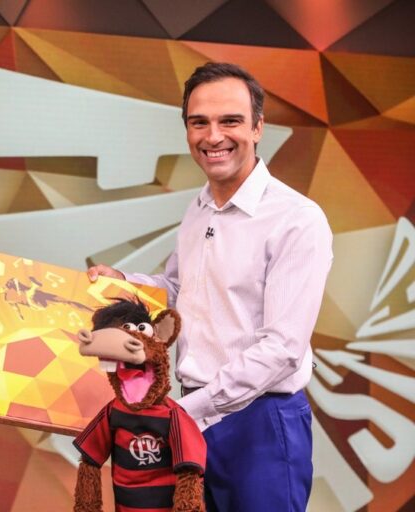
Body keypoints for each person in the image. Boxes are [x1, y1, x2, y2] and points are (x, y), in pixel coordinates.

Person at [88, 63, 333, 511]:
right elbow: (180, 290)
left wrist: (193, 410)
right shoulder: (199, 208)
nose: (213, 136)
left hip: (259, 422)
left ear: (258, 128)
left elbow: (283, 347)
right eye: (199, 122)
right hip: (192, 416)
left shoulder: (297, 219)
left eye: (230, 121)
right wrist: (124, 283)